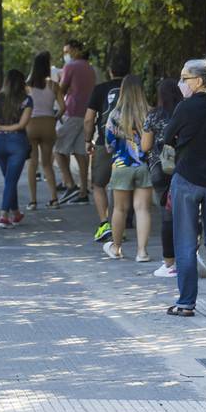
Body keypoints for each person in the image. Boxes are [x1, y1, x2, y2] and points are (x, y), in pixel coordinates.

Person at [161, 59, 206, 319]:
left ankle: (186, 303)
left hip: (188, 179)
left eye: (185, 78)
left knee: (185, 242)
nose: (181, 83)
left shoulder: (184, 107)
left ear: (199, 81)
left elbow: (167, 137)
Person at [102, 74, 153, 260]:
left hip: (121, 166)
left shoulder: (115, 115)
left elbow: (109, 145)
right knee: (142, 209)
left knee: (119, 209)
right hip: (144, 165)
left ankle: (116, 248)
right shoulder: (149, 112)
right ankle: (142, 252)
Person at [143, 78, 186, 278]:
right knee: (187, 212)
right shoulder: (185, 112)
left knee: (167, 214)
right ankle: (189, 255)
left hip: (160, 168)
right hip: (184, 166)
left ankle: (169, 263)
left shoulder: (153, 116)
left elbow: (145, 146)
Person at [85, 55, 129, 242]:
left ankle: (105, 223)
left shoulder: (100, 89)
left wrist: (89, 140)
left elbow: (89, 118)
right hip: (130, 144)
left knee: (98, 184)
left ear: (110, 71)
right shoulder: (134, 89)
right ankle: (123, 223)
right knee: (126, 184)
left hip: (105, 142)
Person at [0, 69, 33, 229]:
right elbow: (23, 124)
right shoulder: (27, 100)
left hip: (0, 141)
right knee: (11, 180)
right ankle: (3, 216)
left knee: (9, 179)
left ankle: (15, 212)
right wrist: (10, 128)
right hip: (18, 142)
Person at [55, 39, 95, 206]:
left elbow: (61, 89)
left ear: (76, 50)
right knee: (80, 152)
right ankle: (83, 191)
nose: (66, 55)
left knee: (57, 148)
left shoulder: (70, 67)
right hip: (87, 112)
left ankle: (70, 184)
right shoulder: (90, 68)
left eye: (68, 51)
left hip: (73, 111)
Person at [26, 51, 64, 210]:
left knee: (32, 163)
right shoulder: (54, 85)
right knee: (47, 163)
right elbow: (63, 107)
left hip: (31, 125)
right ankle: (54, 199)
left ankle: (33, 201)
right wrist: (54, 118)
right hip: (49, 124)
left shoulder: (27, 86)